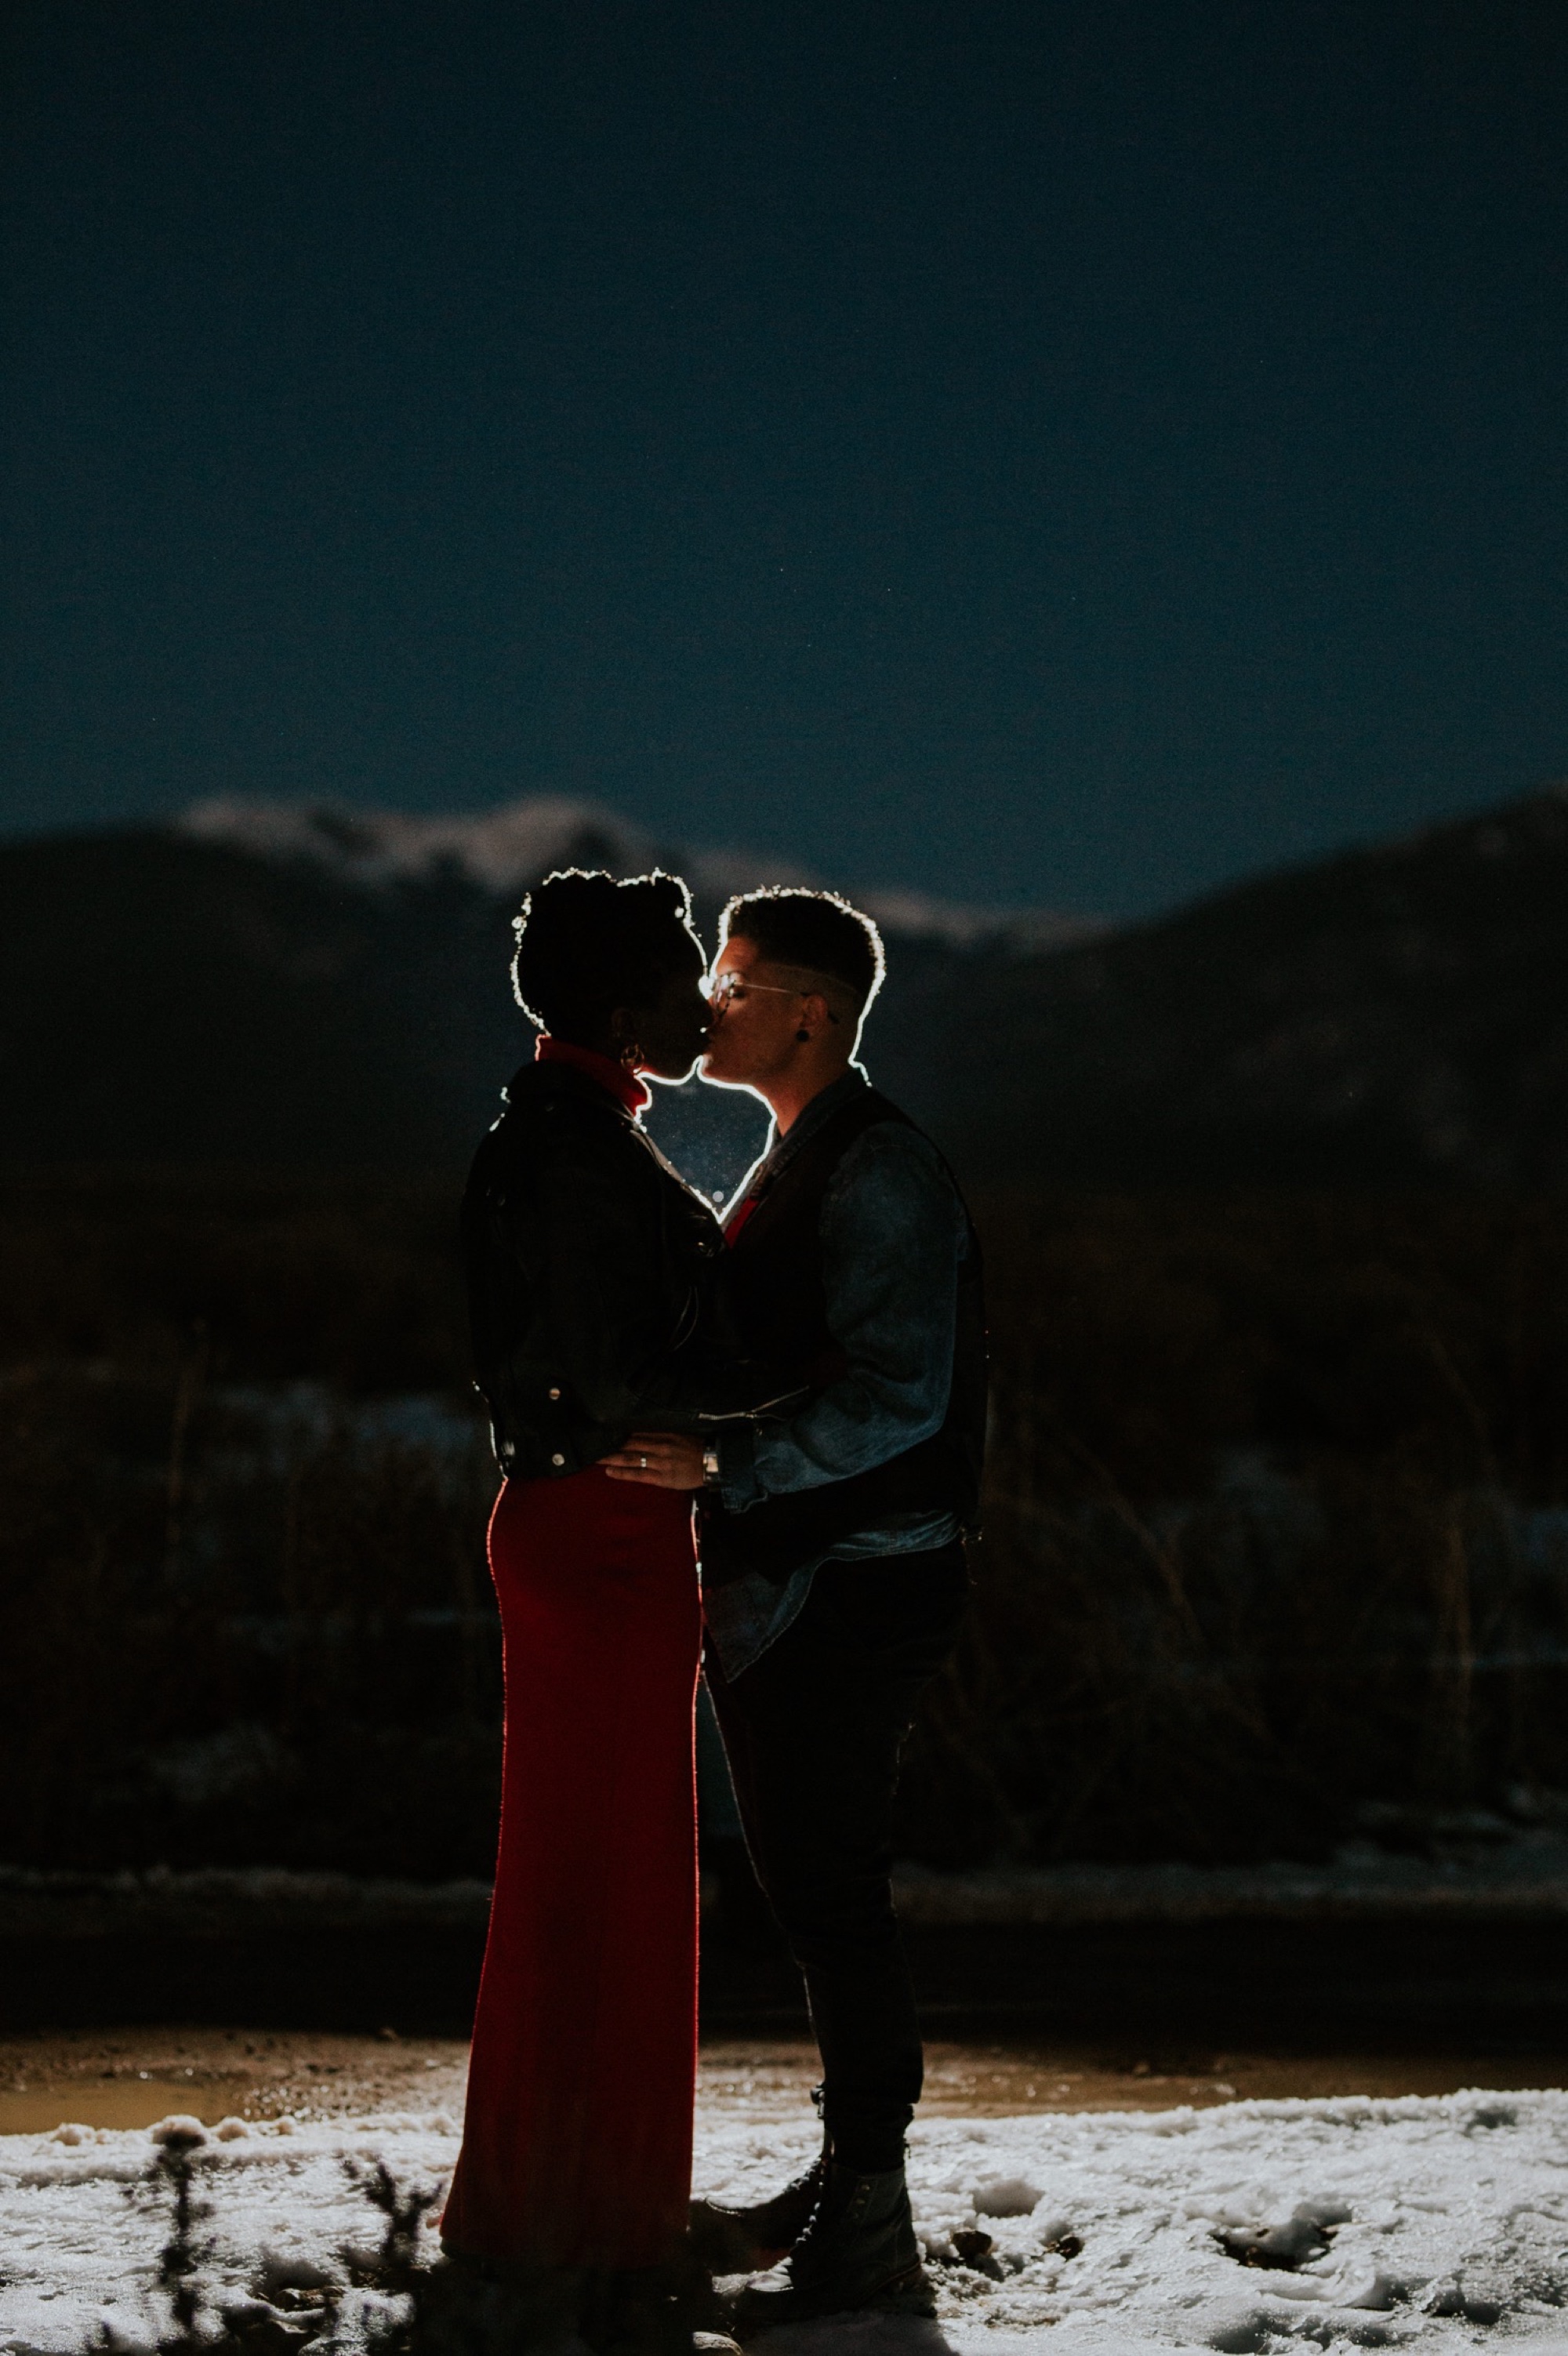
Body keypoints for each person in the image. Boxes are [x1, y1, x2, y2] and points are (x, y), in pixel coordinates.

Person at [601, 887, 987, 2331]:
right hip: (816, 1574)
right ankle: (845, 2194)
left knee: (833, 1894)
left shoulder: (877, 1169)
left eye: (738, 979)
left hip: (858, 1578)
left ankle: (869, 2232)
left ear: (811, 1012)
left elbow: (905, 1393)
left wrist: (736, 1458)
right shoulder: (806, 1151)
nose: (712, 998)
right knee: (820, 1892)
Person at [441, 868, 767, 2354]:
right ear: (621, 1001)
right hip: (604, 1541)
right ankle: (589, 2222)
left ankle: (562, 2207)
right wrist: (706, 1430)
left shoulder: (558, 1132)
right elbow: (584, 1368)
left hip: (597, 1536)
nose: (703, 1001)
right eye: (682, 975)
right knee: (614, 1881)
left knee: (590, 1875)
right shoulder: (570, 1153)